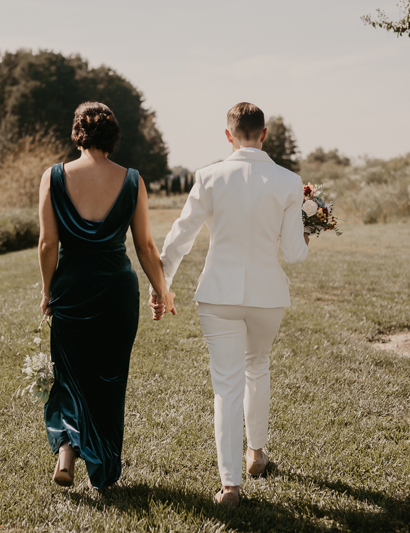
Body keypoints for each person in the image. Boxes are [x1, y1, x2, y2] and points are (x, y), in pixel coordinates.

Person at [152, 102, 309, 507]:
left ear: (228, 135)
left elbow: (180, 236)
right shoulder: (290, 182)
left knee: (226, 387)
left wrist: (161, 285)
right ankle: (256, 453)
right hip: (267, 296)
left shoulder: (208, 177)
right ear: (265, 134)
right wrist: (308, 228)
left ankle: (230, 487)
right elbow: (294, 255)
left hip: (218, 295)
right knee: (258, 368)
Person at [38, 101, 175, 490]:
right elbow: (146, 246)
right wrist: (162, 289)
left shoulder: (53, 177)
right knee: (109, 379)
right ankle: (102, 470)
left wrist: (48, 290)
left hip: (72, 287)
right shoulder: (132, 179)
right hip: (116, 289)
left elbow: (48, 243)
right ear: (113, 135)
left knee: (69, 372)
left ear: (78, 133)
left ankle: (66, 448)